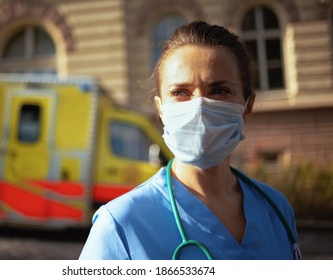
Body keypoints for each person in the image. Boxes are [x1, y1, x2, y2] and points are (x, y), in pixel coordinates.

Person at [79, 21, 301, 260]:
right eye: (180, 92)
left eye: (219, 91)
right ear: (161, 109)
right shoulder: (121, 225)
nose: (199, 108)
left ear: (247, 107)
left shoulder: (276, 210)